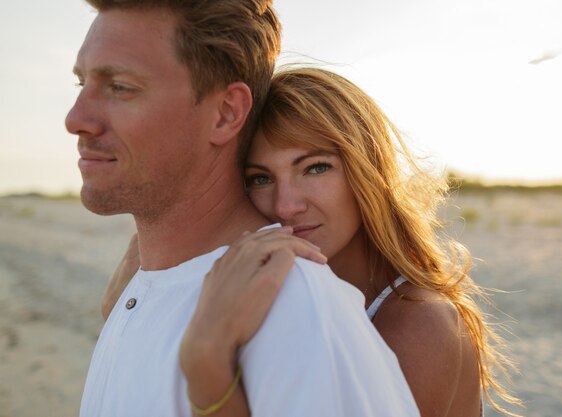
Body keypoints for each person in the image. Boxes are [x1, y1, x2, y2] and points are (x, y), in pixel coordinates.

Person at [65, 1, 421, 417]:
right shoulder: (138, 288)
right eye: (81, 85)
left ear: (227, 113)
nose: (76, 119)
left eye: (120, 86)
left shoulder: (290, 304)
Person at [105, 67, 522, 417]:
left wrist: (207, 361)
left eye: (315, 168)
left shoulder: (419, 323)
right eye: (261, 178)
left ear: (368, 172)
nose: (286, 205)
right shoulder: (292, 289)